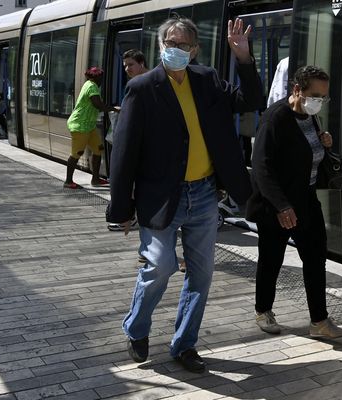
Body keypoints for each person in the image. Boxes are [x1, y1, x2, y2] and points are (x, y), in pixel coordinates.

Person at [107, 16, 263, 373]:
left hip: (204, 194)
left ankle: (185, 344)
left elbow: (250, 99)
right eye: (170, 43)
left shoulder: (206, 79)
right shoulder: (143, 88)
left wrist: (243, 58)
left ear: (194, 50)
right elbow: (124, 152)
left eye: (183, 45)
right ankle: (136, 327)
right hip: (160, 197)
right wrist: (121, 209)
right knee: (159, 267)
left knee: (202, 274)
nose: (175, 50)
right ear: (161, 45)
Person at [246, 65, 342, 339]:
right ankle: (263, 309)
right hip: (277, 206)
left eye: (323, 97)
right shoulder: (275, 119)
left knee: (316, 260)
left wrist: (324, 143)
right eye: (315, 95)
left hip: (306, 199)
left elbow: (307, 153)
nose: (320, 101)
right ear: (297, 90)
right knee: (271, 260)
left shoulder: (310, 117)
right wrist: (282, 206)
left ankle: (320, 321)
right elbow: (261, 168)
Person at [107, 50, 150, 232]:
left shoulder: (149, 82)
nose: (127, 69)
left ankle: (134, 219)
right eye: (125, 65)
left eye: (131, 64)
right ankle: (133, 218)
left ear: (142, 63)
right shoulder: (135, 83)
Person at [64, 67, 119, 189]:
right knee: (76, 153)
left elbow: (97, 105)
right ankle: (68, 181)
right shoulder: (92, 86)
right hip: (80, 125)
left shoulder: (88, 84)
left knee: (98, 149)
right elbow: (97, 104)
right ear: (97, 77)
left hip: (89, 126)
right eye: (101, 78)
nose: (102, 80)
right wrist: (115, 109)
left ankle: (95, 179)